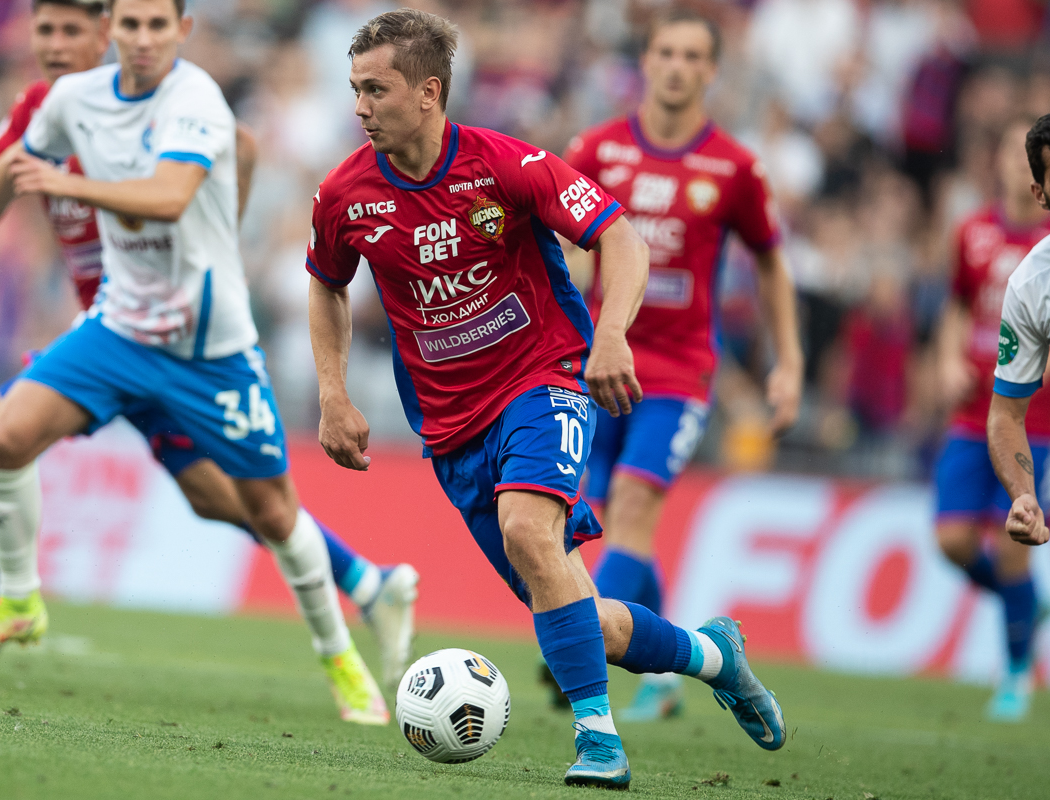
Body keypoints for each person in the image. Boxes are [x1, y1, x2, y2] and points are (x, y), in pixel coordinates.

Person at [306, 9, 786, 789]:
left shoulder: (508, 165)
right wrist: (333, 393)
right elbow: (327, 285)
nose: (359, 106)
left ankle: (599, 742)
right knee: (578, 614)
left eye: (375, 89)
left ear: (429, 93)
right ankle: (712, 655)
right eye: (354, 89)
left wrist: (611, 334)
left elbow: (621, 237)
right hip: (451, 430)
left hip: (544, 378)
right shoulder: (344, 194)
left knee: (528, 528)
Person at [0, 0, 391, 725]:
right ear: (117, 32)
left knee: (269, 509)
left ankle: (339, 655)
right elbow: (10, 170)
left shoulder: (193, 97)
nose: (141, 38)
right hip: (120, 327)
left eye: (156, 25)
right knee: (0, 438)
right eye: (131, 24)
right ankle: (16, 602)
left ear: (181, 32)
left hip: (209, 346)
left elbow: (168, 197)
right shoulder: (72, 98)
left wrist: (68, 184)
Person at [562, 8, 802, 721]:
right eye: (665, 52)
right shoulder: (597, 149)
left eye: (692, 56)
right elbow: (564, 244)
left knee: (633, 506)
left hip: (679, 370)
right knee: (613, 516)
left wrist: (788, 362)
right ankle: (670, 670)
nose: (676, 66)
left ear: (711, 70)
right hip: (598, 357)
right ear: (646, 61)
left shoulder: (734, 167)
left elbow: (771, 264)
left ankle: (585, 642)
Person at [935, 117, 1050, 723]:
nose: (1017, 162)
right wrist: (948, 360)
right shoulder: (973, 232)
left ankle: (1015, 674)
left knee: (1014, 547)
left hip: (1040, 419)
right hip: (976, 412)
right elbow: (955, 305)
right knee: (951, 541)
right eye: (1010, 152)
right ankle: (1022, 604)